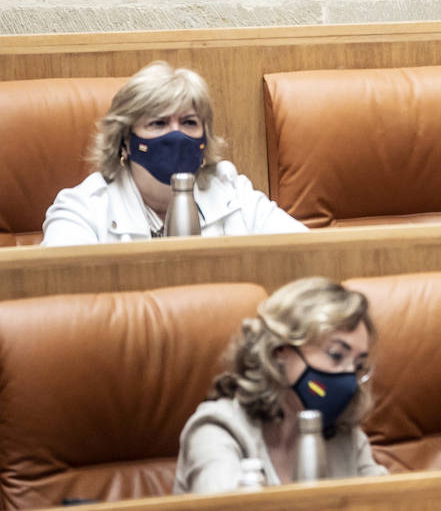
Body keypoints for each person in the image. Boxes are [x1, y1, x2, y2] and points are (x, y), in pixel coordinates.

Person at [41, 61, 307, 245]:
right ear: (125, 141)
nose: (176, 135)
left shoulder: (232, 192)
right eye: (158, 123)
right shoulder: (84, 208)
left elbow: (309, 252)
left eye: (189, 123)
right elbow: (60, 298)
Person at [175, 277, 388, 491]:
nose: (349, 376)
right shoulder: (218, 427)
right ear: (279, 351)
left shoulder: (344, 436)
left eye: (358, 365)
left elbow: (390, 500)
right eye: (335, 355)